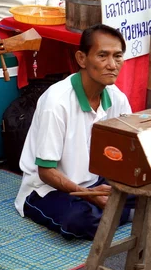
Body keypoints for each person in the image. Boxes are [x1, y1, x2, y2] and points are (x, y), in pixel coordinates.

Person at [14, 24, 134, 240]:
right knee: (78, 220)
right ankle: (125, 213)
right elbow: (46, 172)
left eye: (118, 56)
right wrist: (89, 196)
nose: (112, 65)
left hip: (96, 182)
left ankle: (117, 211)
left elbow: (126, 153)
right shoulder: (57, 102)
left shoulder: (117, 98)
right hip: (47, 189)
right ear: (81, 58)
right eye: (102, 56)